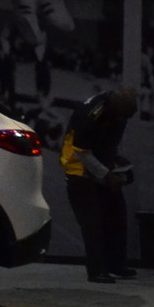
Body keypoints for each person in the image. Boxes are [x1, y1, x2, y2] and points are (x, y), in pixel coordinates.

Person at [61, 88, 137, 283]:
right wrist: (107, 176)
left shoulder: (118, 113)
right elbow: (82, 152)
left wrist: (116, 164)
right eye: (121, 116)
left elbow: (108, 142)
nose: (123, 120)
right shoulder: (89, 115)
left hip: (101, 167)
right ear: (113, 109)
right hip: (79, 171)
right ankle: (96, 270)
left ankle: (116, 265)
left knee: (117, 217)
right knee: (92, 223)